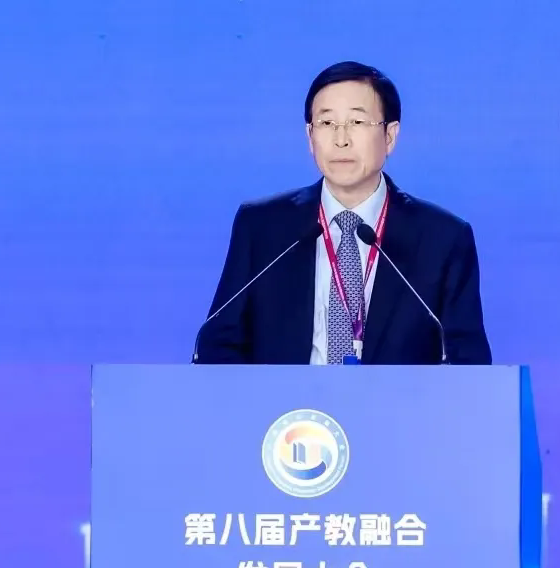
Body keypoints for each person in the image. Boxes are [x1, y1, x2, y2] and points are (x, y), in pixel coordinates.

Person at [195, 61, 492, 365]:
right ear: (310, 136)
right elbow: (217, 346)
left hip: (397, 397)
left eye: (357, 122)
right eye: (326, 123)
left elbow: (467, 363)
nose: (341, 140)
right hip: (286, 398)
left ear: (389, 136)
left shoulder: (443, 238)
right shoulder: (262, 226)